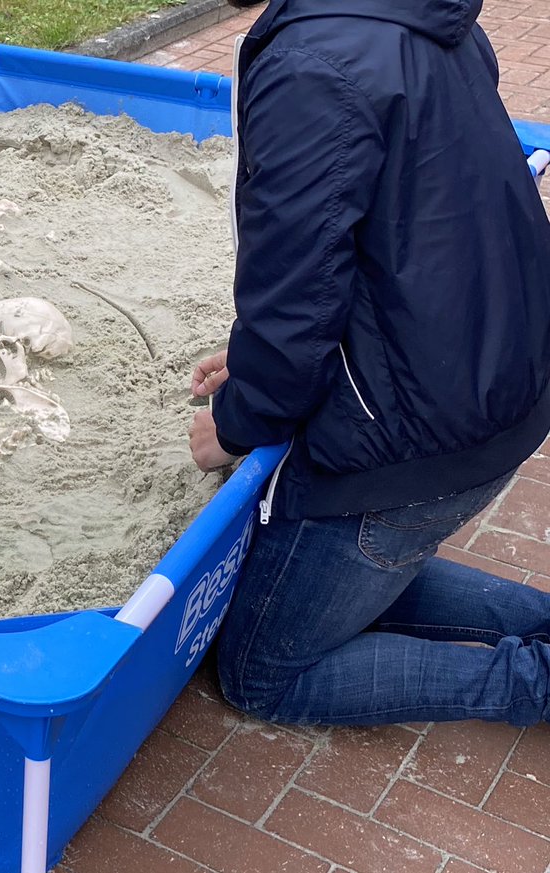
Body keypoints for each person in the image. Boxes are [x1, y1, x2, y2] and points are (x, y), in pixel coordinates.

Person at [188, 0, 550, 726]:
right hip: (493, 386)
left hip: (411, 445)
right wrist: (259, 350)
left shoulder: (309, 66)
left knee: (262, 671)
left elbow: (295, 307)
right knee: (306, 579)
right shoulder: (398, 17)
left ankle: (531, 683)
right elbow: (393, 234)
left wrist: (231, 423)